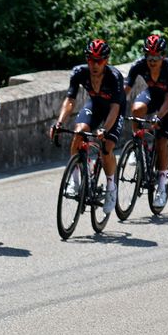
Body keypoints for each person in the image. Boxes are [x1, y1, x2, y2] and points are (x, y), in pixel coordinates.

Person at [49, 39, 126, 215]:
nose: (94, 64)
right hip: (95, 106)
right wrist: (59, 123)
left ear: (106, 61)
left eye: (98, 60)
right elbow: (70, 100)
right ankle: (75, 182)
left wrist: (105, 129)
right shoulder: (79, 72)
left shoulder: (114, 77)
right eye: (90, 59)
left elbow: (115, 108)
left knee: (106, 148)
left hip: (114, 110)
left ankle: (111, 187)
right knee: (79, 132)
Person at [124, 34, 168, 210]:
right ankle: (138, 144)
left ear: (163, 56)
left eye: (156, 57)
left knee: (161, 141)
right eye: (149, 56)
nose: (152, 60)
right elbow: (125, 90)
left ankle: (162, 186)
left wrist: (158, 117)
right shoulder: (139, 65)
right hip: (153, 94)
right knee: (136, 110)